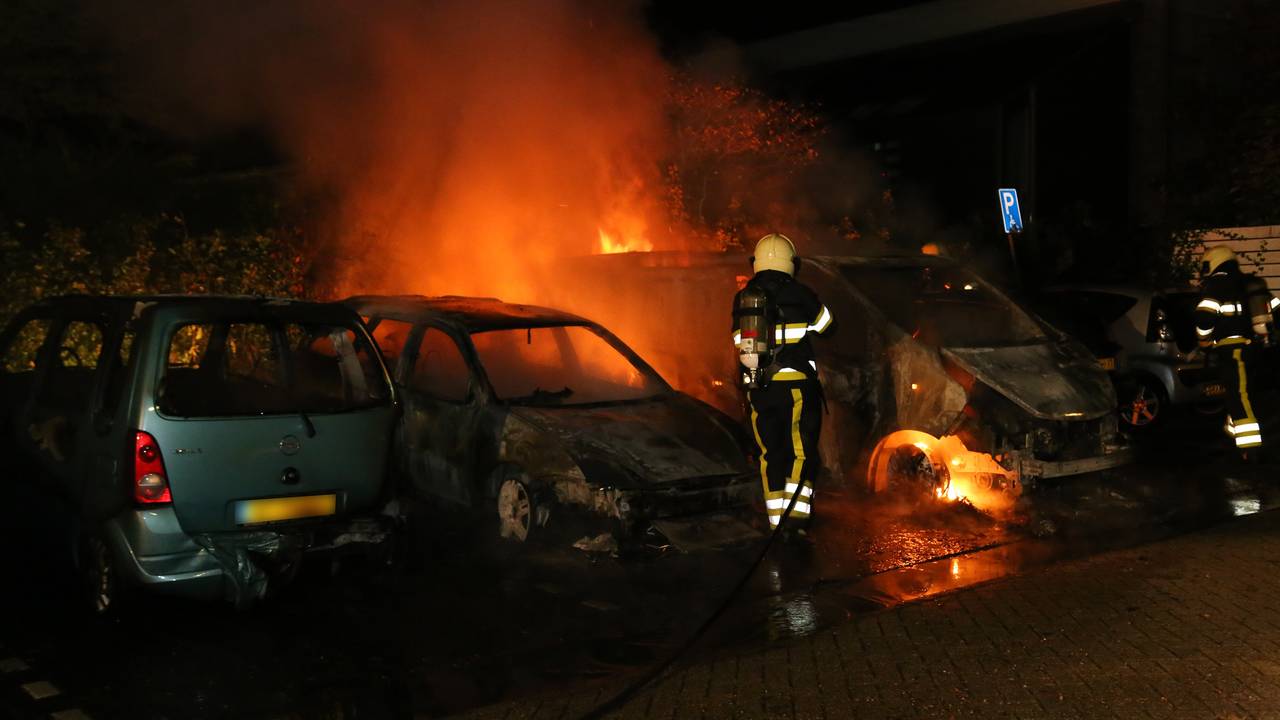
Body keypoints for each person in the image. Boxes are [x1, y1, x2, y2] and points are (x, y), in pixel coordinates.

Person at [732, 233, 833, 537]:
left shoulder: (743, 297)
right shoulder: (801, 293)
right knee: (801, 452)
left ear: (757, 263)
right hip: (797, 388)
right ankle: (797, 519)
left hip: (759, 389)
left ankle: (776, 522)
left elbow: (738, 341)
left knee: (770, 453)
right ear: (792, 263)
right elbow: (827, 326)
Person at [1195, 245, 1278, 458]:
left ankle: (1249, 448)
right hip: (1254, 348)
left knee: (1238, 396)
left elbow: (1204, 317)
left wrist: (1203, 341)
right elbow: (1276, 308)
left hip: (1233, 351)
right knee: (1243, 393)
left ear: (1214, 262)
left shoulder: (1217, 284)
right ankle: (1233, 437)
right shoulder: (1250, 283)